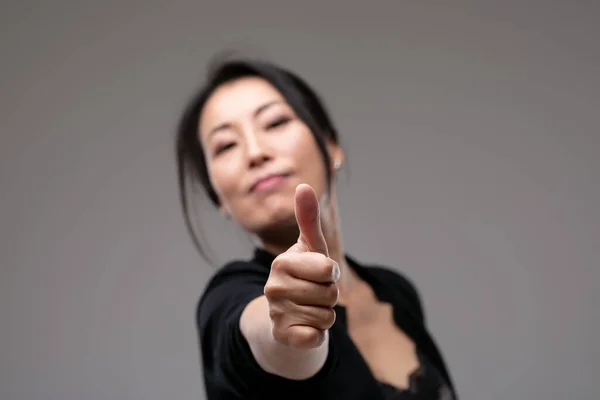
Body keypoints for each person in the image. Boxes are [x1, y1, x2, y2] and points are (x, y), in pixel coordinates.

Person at [175, 55, 458, 400]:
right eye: (225, 145)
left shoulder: (395, 292)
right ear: (218, 197)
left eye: (275, 122)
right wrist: (286, 323)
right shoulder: (227, 298)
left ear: (331, 146)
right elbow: (265, 333)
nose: (255, 152)